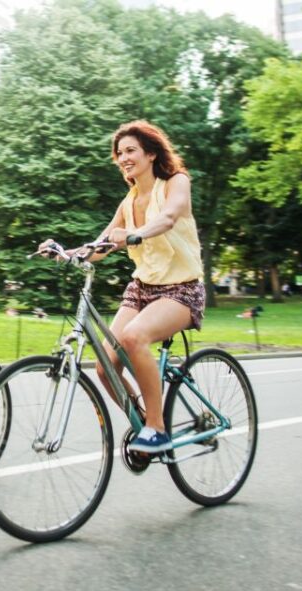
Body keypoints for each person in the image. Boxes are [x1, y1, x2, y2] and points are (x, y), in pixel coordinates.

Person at [39, 120, 205, 453]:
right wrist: (64, 253)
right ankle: (144, 422)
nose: (124, 157)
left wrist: (135, 234)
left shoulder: (176, 182)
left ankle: (158, 429)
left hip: (181, 290)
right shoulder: (128, 201)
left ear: (151, 153)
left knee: (132, 338)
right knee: (105, 366)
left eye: (131, 150)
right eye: (119, 153)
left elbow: (170, 217)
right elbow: (100, 245)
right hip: (142, 289)